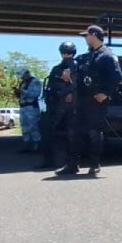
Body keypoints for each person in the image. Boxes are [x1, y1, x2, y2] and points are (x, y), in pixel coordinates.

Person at [58, 26, 121, 177]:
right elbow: (80, 79)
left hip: (97, 101)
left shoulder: (107, 55)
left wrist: (105, 93)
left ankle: (94, 164)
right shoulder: (86, 57)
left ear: (94, 35)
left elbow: (116, 76)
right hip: (81, 100)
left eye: (86, 36)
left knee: (94, 132)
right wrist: (68, 79)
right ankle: (72, 165)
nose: (85, 39)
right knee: (76, 133)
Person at [36, 41, 77, 170]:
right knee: (47, 132)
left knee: (71, 135)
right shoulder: (56, 69)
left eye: (68, 52)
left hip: (71, 106)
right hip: (54, 105)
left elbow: (79, 85)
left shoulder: (77, 67)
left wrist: (71, 92)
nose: (66, 55)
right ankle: (48, 161)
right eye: (64, 52)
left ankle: (71, 164)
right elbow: (50, 86)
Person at [15, 68, 42, 153]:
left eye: (22, 76)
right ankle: (27, 145)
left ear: (27, 73)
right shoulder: (23, 83)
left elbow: (35, 94)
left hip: (31, 107)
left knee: (33, 126)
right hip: (23, 107)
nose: (21, 78)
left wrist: (23, 91)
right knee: (24, 127)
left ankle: (37, 145)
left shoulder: (35, 82)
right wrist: (18, 92)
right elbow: (21, 95)